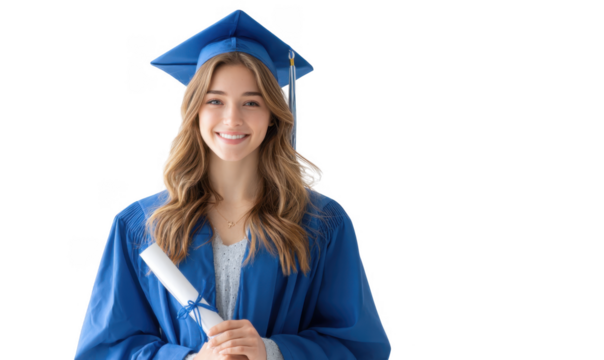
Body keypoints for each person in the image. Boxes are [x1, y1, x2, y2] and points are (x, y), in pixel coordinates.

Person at [74, 9, 390, 360]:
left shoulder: (322, 223)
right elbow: (105, 350)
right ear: (195, 112)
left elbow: (359, 348)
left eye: (251, 102)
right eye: (215, 100)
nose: (232, 119)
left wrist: (271, 351)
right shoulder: (139, 226)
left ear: (273, 114)